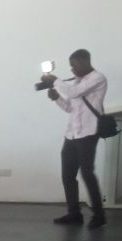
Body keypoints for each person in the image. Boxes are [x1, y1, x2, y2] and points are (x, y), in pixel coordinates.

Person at [43, 49, 108, 229]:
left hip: (88, 133)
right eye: (71, 66)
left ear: (86, 61)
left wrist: (55, 80)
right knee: (67, 175)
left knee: (87, 173)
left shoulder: (97, 78)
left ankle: (99, 215)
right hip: (72, 134)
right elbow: (70, 108)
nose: (72, 69)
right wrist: (57, 98)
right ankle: (74, 213)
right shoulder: (78, 81)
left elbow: (72, 93)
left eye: (74, 65)